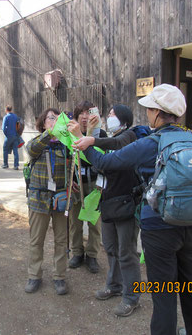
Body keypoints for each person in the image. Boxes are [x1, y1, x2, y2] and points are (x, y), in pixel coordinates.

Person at [76, 84, 192, 335]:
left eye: (149, 109)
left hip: (160, 229)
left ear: (158, 113)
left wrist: (87, 146)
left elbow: (107, 162)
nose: (147, 114)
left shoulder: (151, 143)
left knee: (164, 295)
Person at [69, 104, 141, 317]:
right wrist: (87, 138)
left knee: (127, 253)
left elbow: (111, 151)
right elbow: (98, 165)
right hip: (108, 202)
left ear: (123, 119)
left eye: (111, 115)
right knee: (110, 247)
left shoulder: (129, 136)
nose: (108, 117)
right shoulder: (109, 138)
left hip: (126, 204)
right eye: (108, 114)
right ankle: (114, 285)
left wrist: (90, 140)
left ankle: (131, 297)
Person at [24, 108, 70, 295]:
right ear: (43, 123)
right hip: (38, 199)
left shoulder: (66, 145)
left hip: (60, 199)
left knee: (61, 240)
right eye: (51, 118)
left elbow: (74, 168)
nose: (55, 121)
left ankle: (60, 277)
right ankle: (34, 276)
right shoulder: (37, 143)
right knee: (36, 240)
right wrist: (49, 133)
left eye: (58, 118)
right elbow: (31, 149)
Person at [67, 101, 107, 274]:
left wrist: (103, 182)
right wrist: (69, 182)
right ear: (76, 117)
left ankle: (92, 255)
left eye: (88, 113)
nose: (84, 116)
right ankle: (77, 253)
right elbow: (66, 159)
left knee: (94, 222)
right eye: (81, 113)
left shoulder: (101, 134)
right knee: (75, 222)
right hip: (76, 183)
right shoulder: (69, 134)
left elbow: (106, 159)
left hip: (95, 182)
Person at [2, 105, 20, 170]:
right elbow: (18, 125)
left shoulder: (6, 117)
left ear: (6, 109)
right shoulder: (16, 116)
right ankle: (16, 165)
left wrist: (6, 134)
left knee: (5, 149)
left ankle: (5, 164)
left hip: (9, 136)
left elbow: (3, 128)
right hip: (15, 135)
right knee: (15, 150)